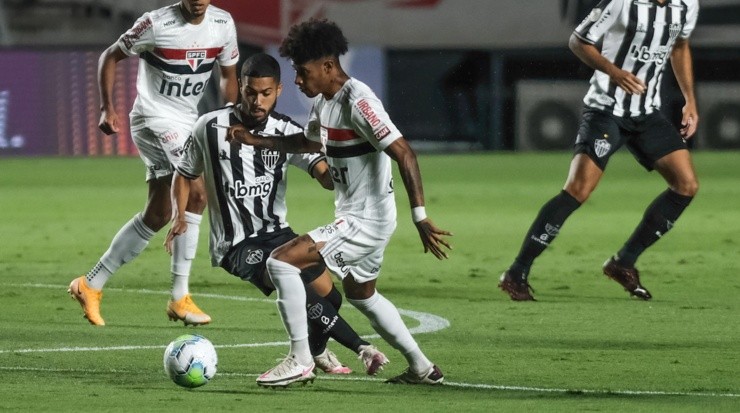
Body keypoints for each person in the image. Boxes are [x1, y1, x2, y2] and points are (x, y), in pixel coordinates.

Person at [226, 18, 452, 387]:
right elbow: (306, 143)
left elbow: (405, 153)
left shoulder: (358, 102)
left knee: (281, 261)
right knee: (363, 295)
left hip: (365, 220)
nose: (297, 80)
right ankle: (423, 368)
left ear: (328, 67)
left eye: (302, 71)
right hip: (355, 215)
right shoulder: (325, 103)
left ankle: (300, 358)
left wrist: (421, 216)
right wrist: (257, 142)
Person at [164, 52, 389, 377]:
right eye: (251, 92)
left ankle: (315, 352)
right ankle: (363, 349)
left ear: (278, 91)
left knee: (331, 297)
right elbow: (183, 172)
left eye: (265, 93)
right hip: (237, 244)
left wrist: (350, 163)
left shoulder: (284, 130)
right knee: (302, 290)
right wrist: (179, 216)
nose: (258, 100)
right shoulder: (209, 126)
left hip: (279, 234)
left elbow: (324, 175)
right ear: (239, 87)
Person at [499, 0, 700, 301]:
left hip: (646, 113)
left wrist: (689, 99)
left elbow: (680, 45)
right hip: (606, 110)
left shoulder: (686, 5)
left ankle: (624, 262)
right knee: (577, 189)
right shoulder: (621, 2)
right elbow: (578, 41)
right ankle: (517, 272)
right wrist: (614, 72)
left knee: (686, 185)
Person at [68, 0, 239, 326]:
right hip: (153, 118)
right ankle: (179, 297)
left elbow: (228, 75)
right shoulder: (156, 24)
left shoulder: (222, 24)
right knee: (197, 193)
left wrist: (230, 113)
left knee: (159, 212)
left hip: (187, 119)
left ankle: (90, 284)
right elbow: (110, 56)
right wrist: (107, 107)